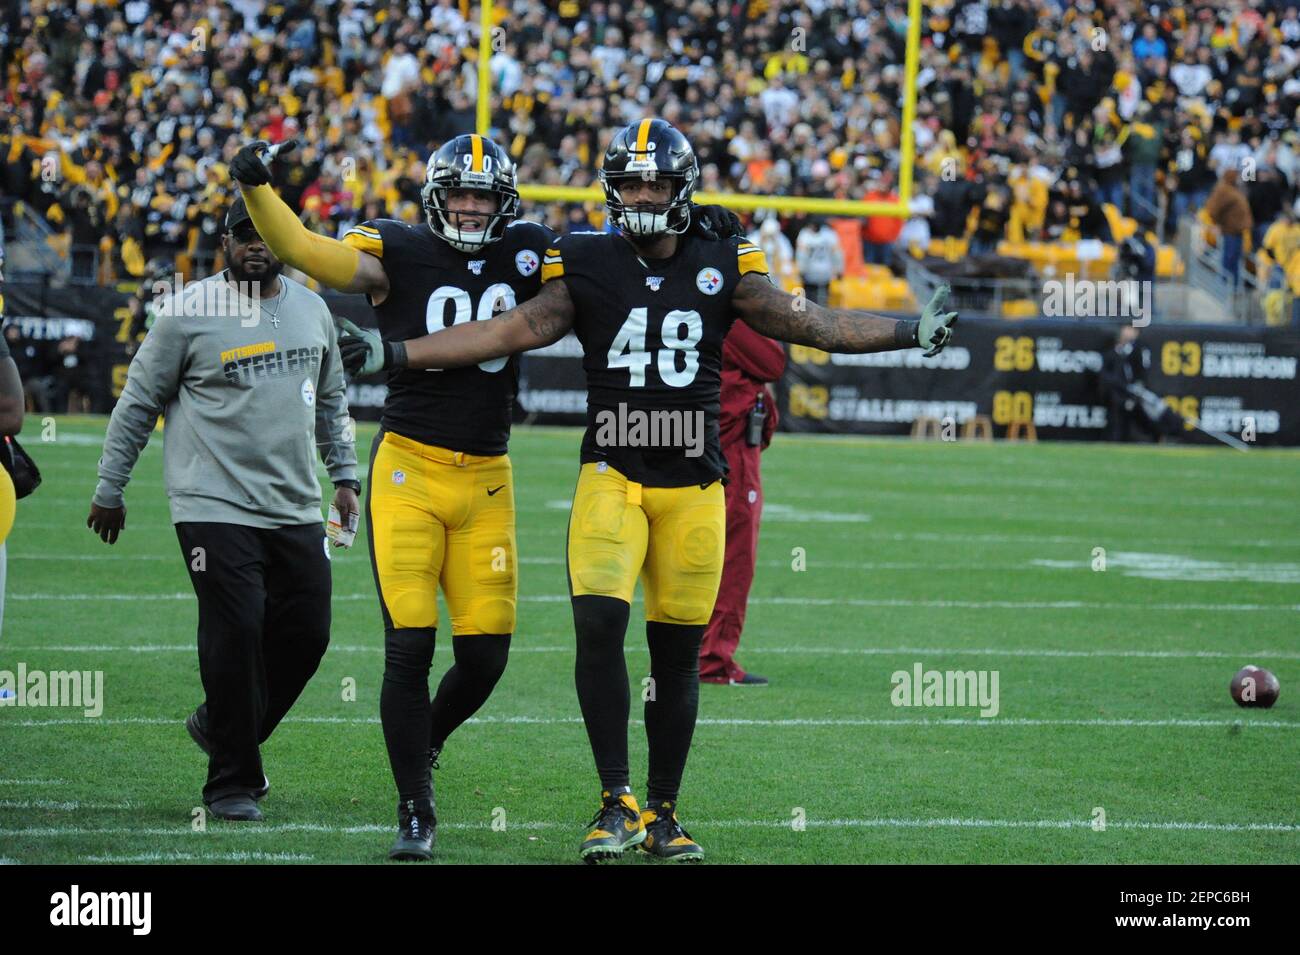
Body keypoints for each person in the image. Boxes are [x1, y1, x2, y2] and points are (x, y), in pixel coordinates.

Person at [339, 117, 958, 863]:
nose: (641, 194)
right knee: (599, 627)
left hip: (694, 485)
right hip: (613, 474)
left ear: (679, 188)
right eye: (630, 181)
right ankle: (616, 800)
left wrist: (903, 329)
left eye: (655, 182)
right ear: (612, 187)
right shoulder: (588, 257)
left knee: (675, 654)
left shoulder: (722, 254)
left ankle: (665, 810)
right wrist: (400, 352)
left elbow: (808, 321)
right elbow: (512, 329)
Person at [228, 134, 743, 859]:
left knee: (486, 657)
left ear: (504, 203)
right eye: (460, 193)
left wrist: (703, 220)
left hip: (489, 474)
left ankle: (425, 739)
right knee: (408, 645)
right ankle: (415, 808)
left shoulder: (531, 249)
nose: (471, 207)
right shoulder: (397, 248)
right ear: (437, 195)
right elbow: (315, 254)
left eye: (483, 195)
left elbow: (623, 243)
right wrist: (259, 191)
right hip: (408, 465)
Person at [87, 196, 358, 822]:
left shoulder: (314, 311)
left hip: (294, 503)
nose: (255, 245)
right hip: (211, 501)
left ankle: (221, 724)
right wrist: (110, 486)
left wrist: (344, 475)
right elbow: (137, 403)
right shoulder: (186, 312)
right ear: (225, 243)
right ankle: (231, 781)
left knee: (308, 634)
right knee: (235, 629)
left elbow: (331, 401)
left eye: (266, 234)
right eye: (243, 235)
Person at [698, 321, 784, 686]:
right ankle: (713, 660)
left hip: (695, 437)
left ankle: (689, 653)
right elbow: (772, 361)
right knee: (734, 557)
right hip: (730, 447)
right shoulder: (729, 313)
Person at [1099, 326, 1159, 442]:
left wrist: (1134, 393)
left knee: (1143, 419)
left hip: (1134, 393)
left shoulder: (1138, 351)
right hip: (1117, 394)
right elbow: (1107, 377)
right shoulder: (1111, 355)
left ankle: (1158, 438)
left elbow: (1142, 373)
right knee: (1116, 423)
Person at [795, 216, 844, 306]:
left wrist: (801, 271)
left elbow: (802, 255)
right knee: (822, 302)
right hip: (825, 272)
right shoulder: (829, 233)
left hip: (810, 272)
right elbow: (837, 254)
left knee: (808, 303)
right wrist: (839, 270)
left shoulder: (805, 234)